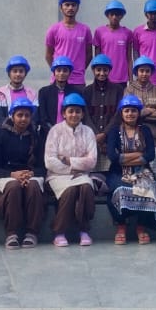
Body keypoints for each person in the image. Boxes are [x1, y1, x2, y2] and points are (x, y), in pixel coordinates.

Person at [0, 98, 46, 249]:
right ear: (12, 116)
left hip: (30, 175)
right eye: (20, 115)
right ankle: (11, 233)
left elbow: (43, 168)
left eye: (27, 115)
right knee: (13, 187)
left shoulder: (36, 137)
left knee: (33, 186)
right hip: (7, 176)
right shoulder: (2, 135)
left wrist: (29, 174)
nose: (23, 119)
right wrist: (13, 175)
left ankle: (32, 232)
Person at [44, 93, 100, 247]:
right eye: (70, 111)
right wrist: (74, 168)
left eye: (78, 111)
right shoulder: (55, 131)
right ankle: (59, 232)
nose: (74, 115)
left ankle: (84, 230)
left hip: (81, 175)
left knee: (86, 187)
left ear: (82, 114)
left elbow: (92, 161)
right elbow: (50, 161)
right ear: (64, 113)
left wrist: (68, 160)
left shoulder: (88, 132)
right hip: (57, 176)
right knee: (70, 190)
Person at [106, 95, 156, 244]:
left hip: (142, 171)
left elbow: (150, 155)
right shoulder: (114, 131)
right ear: (121, 113)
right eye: (127, 110)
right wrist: (138, 154)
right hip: (118, 171)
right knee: (118, 189)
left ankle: (141, 227)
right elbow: (113, 156)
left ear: (138, 113)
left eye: (133, 111)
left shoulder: (145, 130)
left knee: (148, 189)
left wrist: (125, 158)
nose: (130, 114)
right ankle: (121, 226)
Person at [83, 54, 122, 173]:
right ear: (93, 70)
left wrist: (104, 134)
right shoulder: (87, 91)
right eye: (98, 70)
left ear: (109, 71)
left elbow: (118, 115)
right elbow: (85, 116)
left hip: (111, 137)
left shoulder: (118, 90)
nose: (102, 73)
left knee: (111, 172)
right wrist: (96, 135)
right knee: (92, 171)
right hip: (92, 137)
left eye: (105, 70)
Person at [44, 0, 92, 85]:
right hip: (57, 81)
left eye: (73, 5)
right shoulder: (53, 29)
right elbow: (48, 55)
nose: (70, 8)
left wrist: (79, 70)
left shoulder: (85, 30)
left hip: (78, 81)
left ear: (77, 7)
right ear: (61, 7)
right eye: (67, 5)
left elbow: (89, 55)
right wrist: (57, 71)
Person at [124, 55, 156, 151]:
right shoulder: (129, 90)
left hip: (155, 136)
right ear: (136, 72)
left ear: (151, 72)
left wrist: (139, 114)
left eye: (147, 71)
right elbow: (128, 115)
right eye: (141, 71)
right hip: (134, 135)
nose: (144, 74)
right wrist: (149, 110)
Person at [93, 0, 133, 89]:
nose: (114, 17)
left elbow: (129, 59)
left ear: (122, 16)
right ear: (107, 15)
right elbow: (97, 58)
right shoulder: (99, 32)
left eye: (117, 14)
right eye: (112, 14)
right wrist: (97, 76)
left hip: (121, 78)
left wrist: (131, 80)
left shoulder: (127, 33)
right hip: (104, 77)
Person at [0, 55, 36, 132]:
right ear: (9, 73)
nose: (18, 74)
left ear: (25, 74)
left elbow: (34, 118)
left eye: (21, 71)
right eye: (15, 71)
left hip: (27, 135)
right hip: (5, 135)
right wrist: (13, 132)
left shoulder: (32, 94)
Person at [36, 57, 78, 135]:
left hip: (69, 134)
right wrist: (54, 131)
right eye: (58, 70)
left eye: (65, 70)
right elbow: (43, 117)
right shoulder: (44, 92)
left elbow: (77, 116)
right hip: (48, 134)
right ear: (54, 72)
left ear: (69, 73)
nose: (61, 73)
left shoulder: (76, 92)